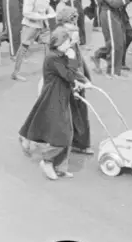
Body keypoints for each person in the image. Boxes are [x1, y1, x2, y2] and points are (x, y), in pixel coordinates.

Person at [18, 28, 89, 180]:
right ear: (59, 43)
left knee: (66, 133)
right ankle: (47, 161)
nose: (70, 45)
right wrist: (72, 59)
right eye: (67, 42)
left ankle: (60, 166)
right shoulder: (53, 58)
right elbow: (69, 74)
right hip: (53, 98)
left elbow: (71, 75)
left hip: (62, 96)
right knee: (61, 135)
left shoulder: (60, 55)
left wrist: (82, 82)